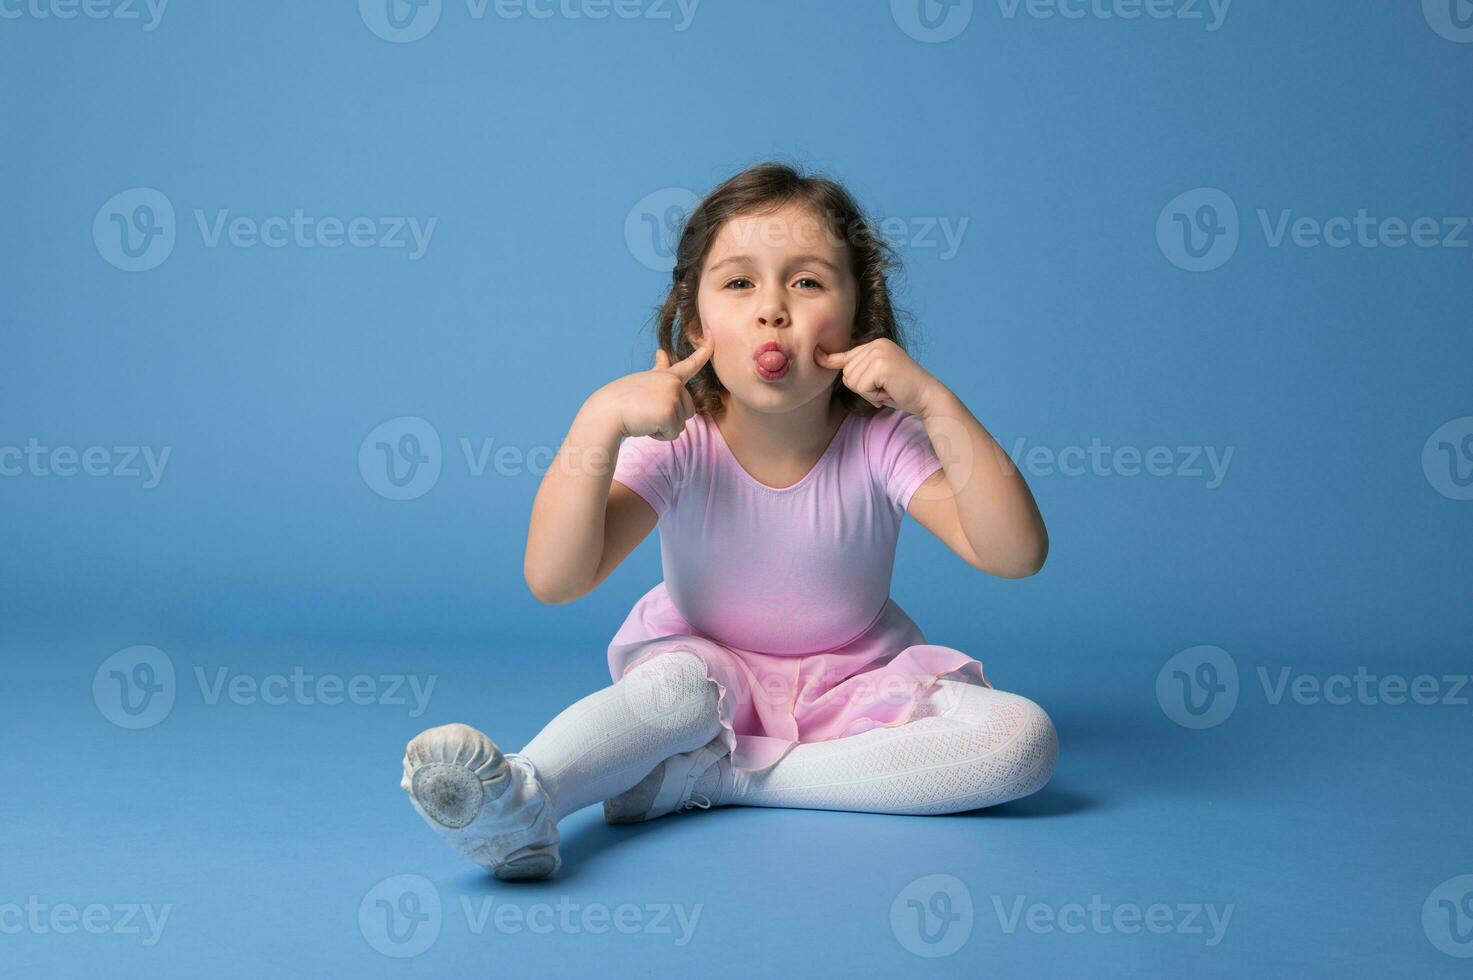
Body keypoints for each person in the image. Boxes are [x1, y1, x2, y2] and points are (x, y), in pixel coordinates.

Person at [400, 161, 1058, 880]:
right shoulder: (681, 444)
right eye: (739, 283)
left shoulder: (880, 440)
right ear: (695, 321)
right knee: (670, 693)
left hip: (855, 683)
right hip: (705, 676)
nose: (771, 309)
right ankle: (526, 801)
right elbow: (556, 579)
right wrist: (600, 421)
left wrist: (935, 404)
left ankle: (716, 782)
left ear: (861, 321)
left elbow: (1014, 553)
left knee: (1021, 741)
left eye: (805, 282)